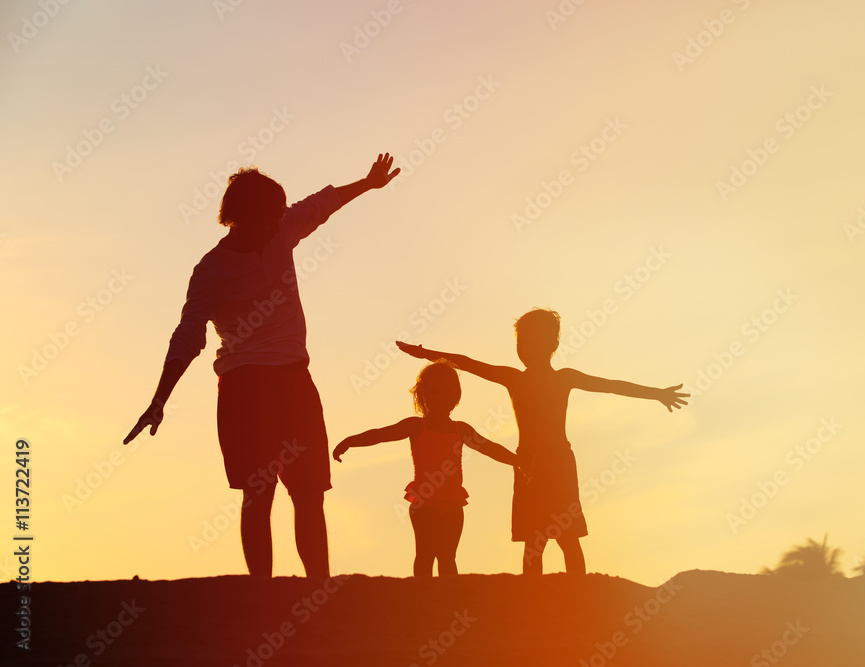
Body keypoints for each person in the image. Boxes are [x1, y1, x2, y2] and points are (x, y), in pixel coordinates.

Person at [123, 154, 400, 578]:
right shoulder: (211, 270)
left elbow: (320, 205)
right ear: (246, 216)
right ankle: (260, 593)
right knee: (259, 493)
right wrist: (159, 399)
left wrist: (367, 183)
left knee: (309, 493)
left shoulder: (281, 230)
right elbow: (189, 334)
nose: (281, 219)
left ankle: (316, 589)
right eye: (273, 212)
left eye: (281, 211)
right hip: (244, 388)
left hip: (294, 380)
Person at [397, 308, 689, 575]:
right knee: (533, 539)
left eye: (534, 341)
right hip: (527, 462)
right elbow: (467, 363)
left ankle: (578, 590)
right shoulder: (513, 378)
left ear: (554, 345)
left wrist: (657, 393)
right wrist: (425, 354)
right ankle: (531, 595)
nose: (526, 349)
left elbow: (611, 386)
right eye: (521, 342)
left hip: (559, 462)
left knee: (568, 535)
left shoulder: (564, 378)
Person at [332, 360, 518, 577]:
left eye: (447, 392)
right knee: (426, 554)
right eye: (434, 392)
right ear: (422, 396)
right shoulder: (415, 426)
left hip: (453, 503)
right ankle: (422, 600)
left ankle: (449, 600)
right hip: (424, 502)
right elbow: (381, 434)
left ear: (456, 396)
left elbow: (489, 448)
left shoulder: (461, 429)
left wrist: (518, 462)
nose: (441, 398)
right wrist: (349, 442)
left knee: (448, 557)